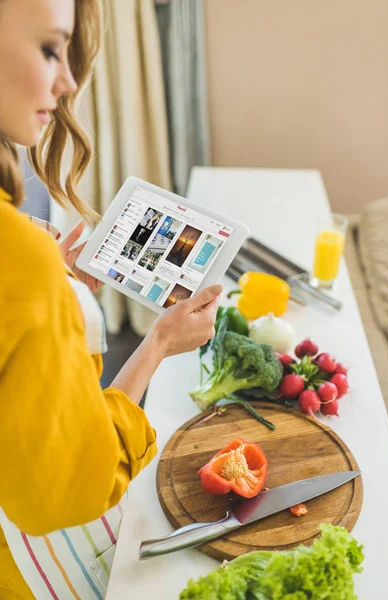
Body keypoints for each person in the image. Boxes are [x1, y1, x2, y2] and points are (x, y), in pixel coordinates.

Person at [0, 1, 222, 598]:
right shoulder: (17, 253)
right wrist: (156, 345)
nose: (69, 81)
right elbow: (69, 492)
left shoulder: (22, 252)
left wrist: (49, 290)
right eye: (50, 50)